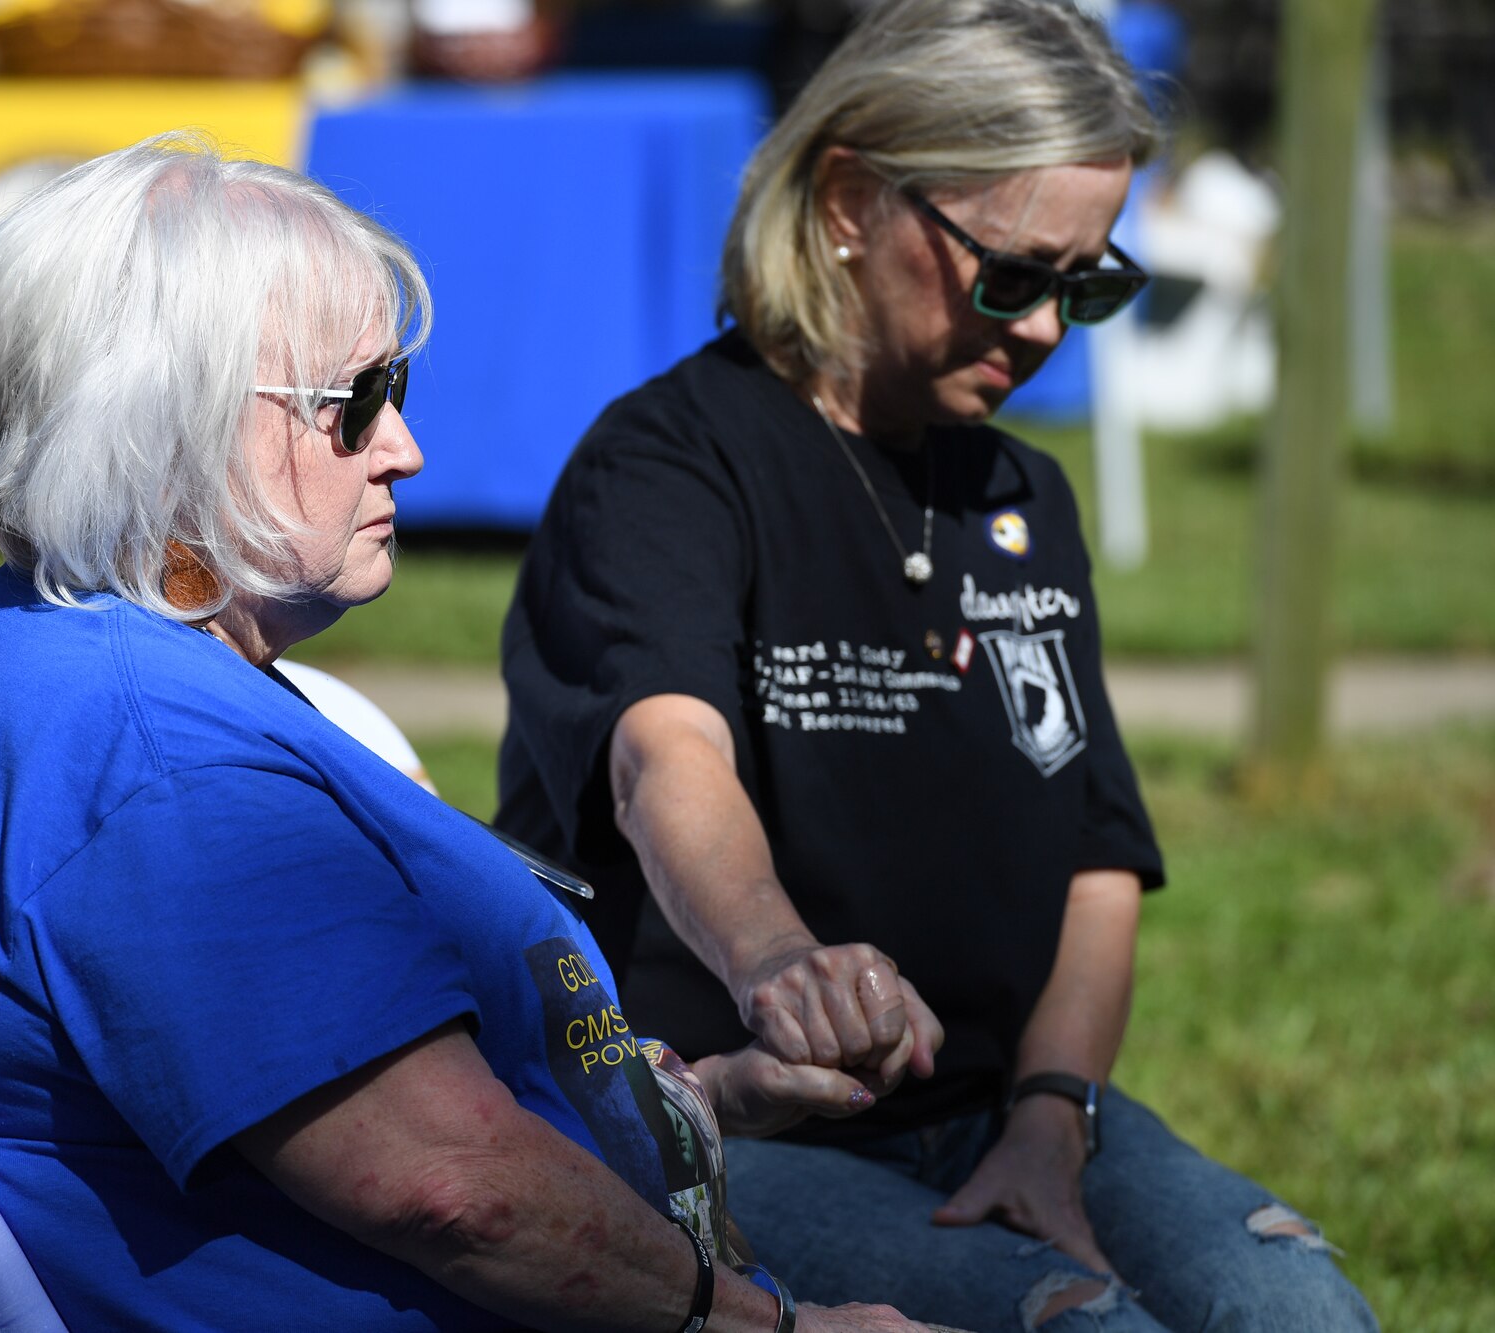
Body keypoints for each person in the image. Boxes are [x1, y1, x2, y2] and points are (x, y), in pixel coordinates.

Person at [0, 134, 928, 1332]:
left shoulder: (89, 648)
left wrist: (693, 1097)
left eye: (394, 391)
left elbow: (389, 1109)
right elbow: (453, 1193)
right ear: (163, 428)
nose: (403, 447)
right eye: (355, 404)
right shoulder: (157, 767)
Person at [494, 2, 1379, 1330]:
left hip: (991, 1107)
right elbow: (661, 754)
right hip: (737, 1116)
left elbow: (1097, 851)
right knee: (1072, 1319)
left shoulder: (1024, 493)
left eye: (1088, 288)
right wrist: (776, 957)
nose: (1044, 333)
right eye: (1012, 276)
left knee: (1299, 1308)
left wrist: (1051, 1111)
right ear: (852, 198)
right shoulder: (667, 465)